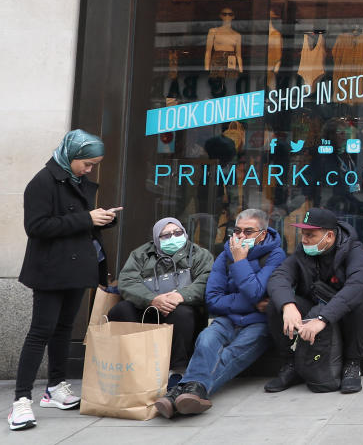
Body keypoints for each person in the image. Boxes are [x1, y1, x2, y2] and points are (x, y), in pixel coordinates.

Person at [10, 131, 114, 432]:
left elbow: (81, 221)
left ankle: (55, 387)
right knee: (40, 331)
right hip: (50, 270)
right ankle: (20, 401)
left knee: (64, 329)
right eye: (87, 163)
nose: (90, 169)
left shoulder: (75, 180)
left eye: (94, 164)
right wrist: (87, 219)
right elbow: (37, 226)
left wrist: (103, 218)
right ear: (71, 156)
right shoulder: (43, 182)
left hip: (77, 268)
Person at [155, 208, 286, 418]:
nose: (241, 236)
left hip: (259, 324)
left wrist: (240, 261)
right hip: (227, 319)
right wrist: (253, 303)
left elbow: (255, 291)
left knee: (231, 354)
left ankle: (178, 393)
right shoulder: (225, 254)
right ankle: (190, 395)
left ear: (262, 234)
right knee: (206, 340)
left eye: (248, 232)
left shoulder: (276, 255)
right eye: (237, 231)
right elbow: (213, 300)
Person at [264, 208, 363, 394]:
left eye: (310, 235)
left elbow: (356, 286)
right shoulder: (303, 252)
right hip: (316, 308)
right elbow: (279, 277)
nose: (304, 239)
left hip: (344, 316)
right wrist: (288, 305)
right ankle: (292, 363)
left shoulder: (354, 250)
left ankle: (352, 364)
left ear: (329, 236)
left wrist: (322, 318)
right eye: (303, 234)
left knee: (360, 301)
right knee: (277, 304)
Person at [111, 217, 214, 389]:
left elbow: (207, 280)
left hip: (182, 311)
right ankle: (134, 364)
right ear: (156, 239)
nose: (173, 238)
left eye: (178, 233)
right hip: (147, 309)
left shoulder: (199, 254)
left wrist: (180, 296)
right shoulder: (141, 254)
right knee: (121, 310)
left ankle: (177, 370)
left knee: (182, 313)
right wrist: (152, 299)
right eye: (166, 235)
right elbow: (127, 281)